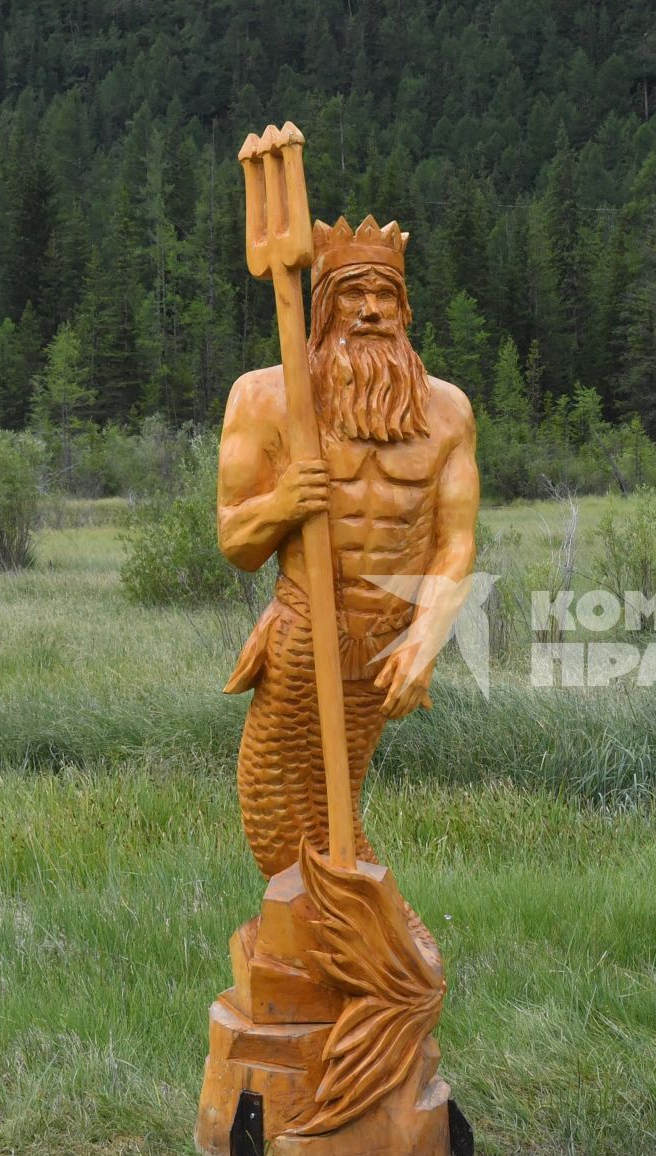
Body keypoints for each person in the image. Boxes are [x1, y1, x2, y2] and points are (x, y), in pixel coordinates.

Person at [216, 215, 480, 876]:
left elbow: (456, 545)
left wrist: (425, 641)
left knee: (339, 818)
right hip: (303, 634)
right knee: (280, 828)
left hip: (386, 643)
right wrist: (282, 504)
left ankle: (368, 958)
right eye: (352, 294)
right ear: (322, 307)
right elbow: (236, 543)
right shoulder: (266, 399)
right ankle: (319, 963)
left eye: (384, 295)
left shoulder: (448, 413)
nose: (369, 311)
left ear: (405, 307)